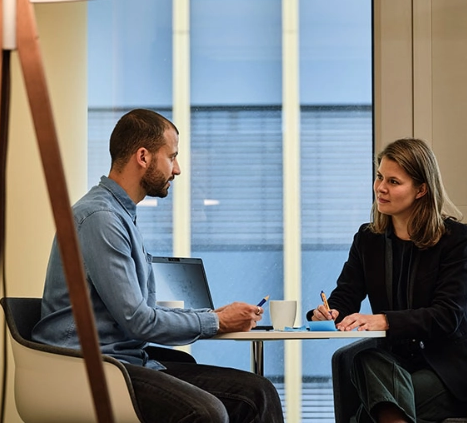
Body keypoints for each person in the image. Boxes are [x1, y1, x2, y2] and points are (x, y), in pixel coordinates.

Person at [32, 109, 284, 423]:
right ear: (143, 156)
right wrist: (216, 323)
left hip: (125, 361)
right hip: (92, 368)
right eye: (172, 156)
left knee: (257, 392)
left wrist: (213, 316)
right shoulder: (101, 219)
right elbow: (138, 320)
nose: (176, 169)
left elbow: (137, 313)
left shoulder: (118, 215)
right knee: (206, 412)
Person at [307, 138, 467, 423]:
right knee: (364, 360)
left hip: (448, 370)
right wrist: (329, 312)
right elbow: (346, 294)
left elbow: (447, 316)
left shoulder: (455, 239)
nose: (381, 187)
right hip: (395, 363)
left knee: (368, 416)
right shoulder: (368, 239)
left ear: (421, 190)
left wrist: (384, 320)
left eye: (393, 181)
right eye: (380, 177)